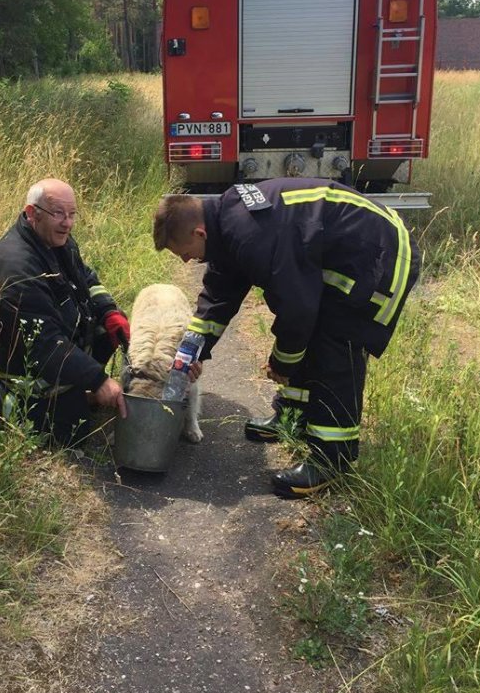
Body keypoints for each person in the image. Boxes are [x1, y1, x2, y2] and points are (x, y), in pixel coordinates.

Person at [153, 179, 420, 499]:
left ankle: (330, 462)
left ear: (200, 234)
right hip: (354, 250)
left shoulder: (250, 234)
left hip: (380, 255)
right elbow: (218, 296)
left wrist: (283, 360)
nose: (187, 262)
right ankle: (293, 416)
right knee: (309, 333)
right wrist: (191, 350)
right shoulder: (227, 225)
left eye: (184, 254)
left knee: (334, 345)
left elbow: (297, 309)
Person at [0, 179, 128, 445]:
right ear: (32, 213)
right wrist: (98, 379)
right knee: (68, 434)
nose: (67, 222)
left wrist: (110, 313)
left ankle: (73, 392)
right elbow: (44, 346)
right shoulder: (16, 267)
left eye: (72, 214)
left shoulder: (57, 240)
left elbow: (86, 278)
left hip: (64, 339)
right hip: (30, 363)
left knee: (106, 332)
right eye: (58, 213)